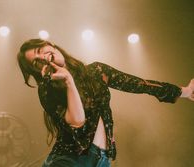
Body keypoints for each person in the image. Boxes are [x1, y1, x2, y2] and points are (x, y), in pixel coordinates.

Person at [17, 38, 194, 167]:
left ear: (51, 45)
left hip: (102, 159)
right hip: (69, 161)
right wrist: (68, 81)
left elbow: (138, 84)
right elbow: (77, 121)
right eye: (36, 61)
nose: (44, 57)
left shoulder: (95, 71)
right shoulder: (47, 90)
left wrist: (183, 91)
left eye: (41, 50)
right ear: (38, 70)